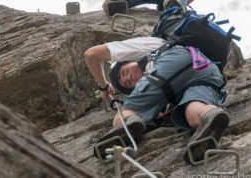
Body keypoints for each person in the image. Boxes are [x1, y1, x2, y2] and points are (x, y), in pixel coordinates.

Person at [84, 37, 229, 164]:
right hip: (206, 67)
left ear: (127, 61)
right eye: (127, 84)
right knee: (193, 112)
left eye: (125, 72)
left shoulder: (141, 46)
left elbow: (91, 54)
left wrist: (103, 87)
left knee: (123, 113)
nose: (128, 78)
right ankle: (210, 115)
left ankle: (131, 121)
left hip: (170, 61)